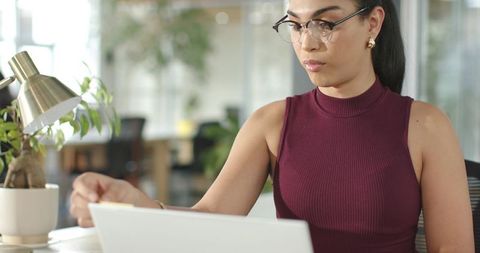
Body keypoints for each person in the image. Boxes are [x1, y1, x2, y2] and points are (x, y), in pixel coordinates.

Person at [70, 0, 475, 252]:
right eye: (296, 25)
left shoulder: (426, 126)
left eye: (326, 23)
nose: (307, 43)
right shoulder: (270, 123)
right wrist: (134, 204)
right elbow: (210, 217)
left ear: (373, 23)